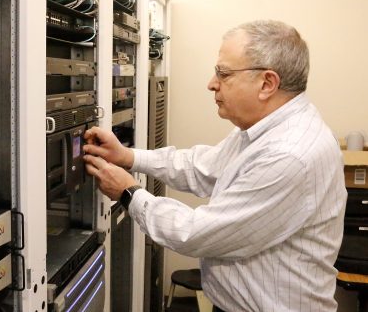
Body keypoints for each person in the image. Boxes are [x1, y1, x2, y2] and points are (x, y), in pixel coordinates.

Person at [83, 20, 347, 312]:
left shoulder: (290, 154)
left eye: (224, 73)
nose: (212, 83)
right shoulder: (266, 128)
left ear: (267, 83)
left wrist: (128, 192)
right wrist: (129, 157)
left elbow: (197, 234)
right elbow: (203, 167)